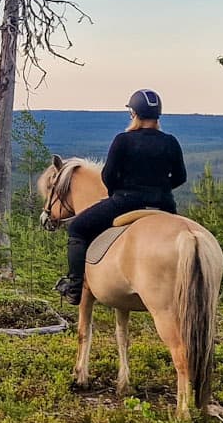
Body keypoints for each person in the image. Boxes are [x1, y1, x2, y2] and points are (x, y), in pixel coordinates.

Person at [56, 89, 188, 300]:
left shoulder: (123, 140)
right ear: (157, 116)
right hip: (164, 206)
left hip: (126, 203)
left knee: (77, 228)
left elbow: (108, 177)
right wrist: (159, 190)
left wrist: (120, 192)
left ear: (133, 114)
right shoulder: (170, 141)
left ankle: (74, 287)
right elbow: (181, 177)